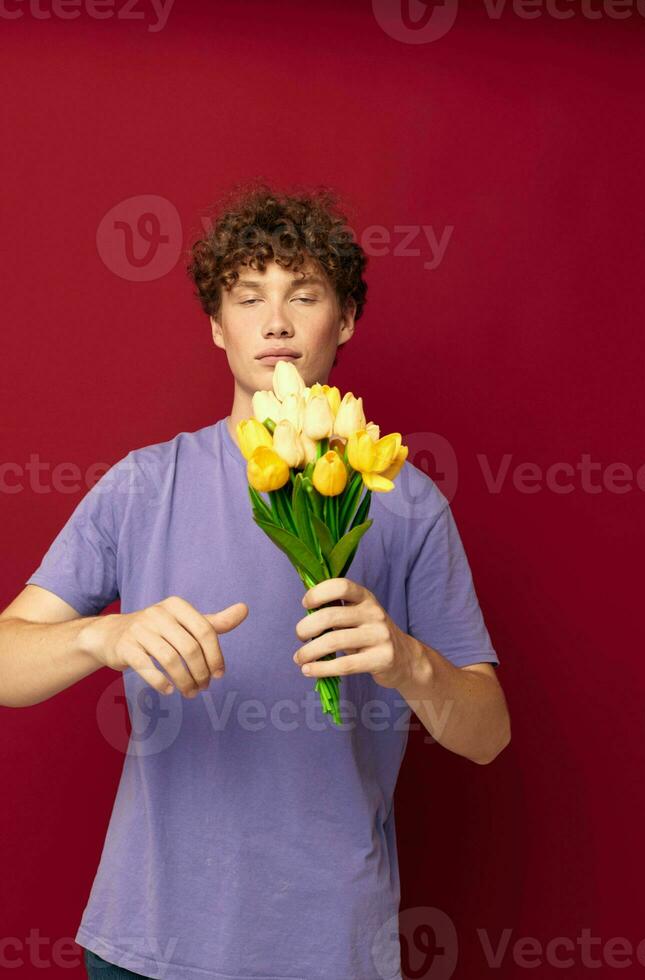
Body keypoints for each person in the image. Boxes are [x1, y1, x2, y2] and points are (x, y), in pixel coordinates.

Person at [0, 184, 511, 980]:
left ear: (343, 321)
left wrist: (407, 660)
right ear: (217, 325)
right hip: (149, 943)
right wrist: (104, 633)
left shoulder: (404, 499)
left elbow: (489, 734)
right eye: (248, 296)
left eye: (303, 295)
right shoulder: (146, 485)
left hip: (330, 948)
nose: (275, 322)